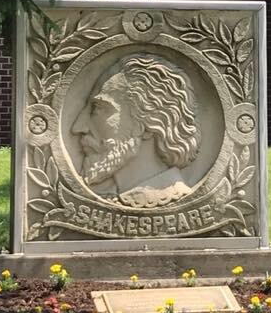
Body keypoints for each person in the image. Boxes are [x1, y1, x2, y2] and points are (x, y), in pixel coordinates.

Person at [71, 54, 201, 207]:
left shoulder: (176, 197)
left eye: (97, 108)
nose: (78, 127)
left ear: (150, 121)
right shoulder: (110, 196)